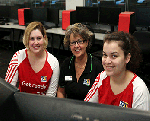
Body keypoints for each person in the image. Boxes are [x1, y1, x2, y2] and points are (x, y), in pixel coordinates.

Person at [84, 31, 150, 111]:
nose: (107, 61)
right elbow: (86, 108)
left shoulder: (139, 90)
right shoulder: (102, 77)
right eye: (105, 55)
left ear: (127, 58)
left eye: (114, 56)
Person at [5, 22, 60, 97]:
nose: (36, 42)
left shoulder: (53, 62)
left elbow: (51, 95)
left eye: (39, 38)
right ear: (27, 40)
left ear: (44, 38)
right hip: (21, 102)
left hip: (42, 104)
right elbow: (8, 88)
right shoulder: (18, 57)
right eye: (32, 39)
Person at [57, 23, 103, 101]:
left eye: (80, 41)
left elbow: (101, 96)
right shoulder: (66, 64)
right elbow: (61, 91)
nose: (76, 46)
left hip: (89, 109)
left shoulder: (97, 66)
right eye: (73, 43)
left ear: (87, 42)